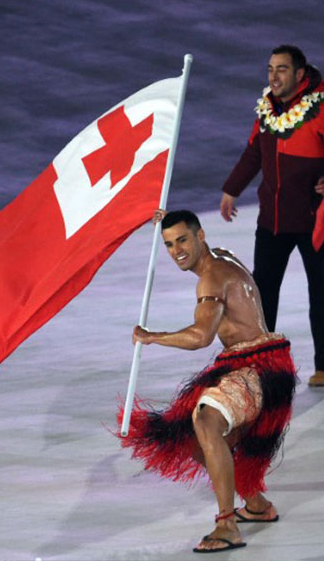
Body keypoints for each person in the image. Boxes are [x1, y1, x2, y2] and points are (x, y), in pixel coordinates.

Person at [118, 210, 298, 553]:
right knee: (188, 433)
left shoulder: (212, 279)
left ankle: (227, 525)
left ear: (200, 236)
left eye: (182, 240)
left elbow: (201, 336)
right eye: (169, 244)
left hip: (256, 369)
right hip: (263, 362)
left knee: (205, 422)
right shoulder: (222, 256)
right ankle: (256, 504)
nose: (176, 251)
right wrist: (167, 217)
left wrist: (151, 337)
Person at [219, 44, 324, 387]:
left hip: (315, 220)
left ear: (299, 74)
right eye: (270, 69)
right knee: (260, 293)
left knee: (322, 288)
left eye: (281, 69)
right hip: (272, 220)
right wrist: (231, 189)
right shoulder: (267, 110)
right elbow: (254, 153)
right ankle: (258, 364)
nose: (273, 76)